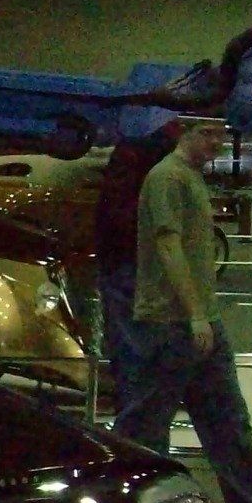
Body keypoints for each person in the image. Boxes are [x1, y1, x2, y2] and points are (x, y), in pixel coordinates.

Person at [113, 118, 252, 503]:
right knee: (145, 430)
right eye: (209, 134)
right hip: (170, 324)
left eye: (222, 134)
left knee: (229, 424)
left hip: (202, 324)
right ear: (184, 134)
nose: (217, 142)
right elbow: (168, 247)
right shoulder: (167, 178)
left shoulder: (191, 178)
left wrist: (205, 317)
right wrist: (195, 314)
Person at [93, 123, 180, 372]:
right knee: (139, 360)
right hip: (132, 265)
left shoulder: (139, 146)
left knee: (137, 358)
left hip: (129, 263)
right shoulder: (150, 149)